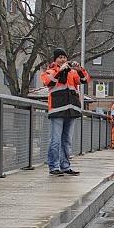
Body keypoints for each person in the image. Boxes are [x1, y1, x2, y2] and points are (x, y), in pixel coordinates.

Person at [41, 48, 91, 176]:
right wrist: (60, 70)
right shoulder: (50, 71)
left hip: (71, 110)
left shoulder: (72, 72)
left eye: (64, 57)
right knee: (55, 140)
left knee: (67, 140)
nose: (63, 59)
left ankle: (65, 166)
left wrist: (80, 69)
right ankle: (54, 166)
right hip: (57, 110)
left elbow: (85, 80)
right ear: (55, 59)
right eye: (60, 57)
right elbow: (48, 82)